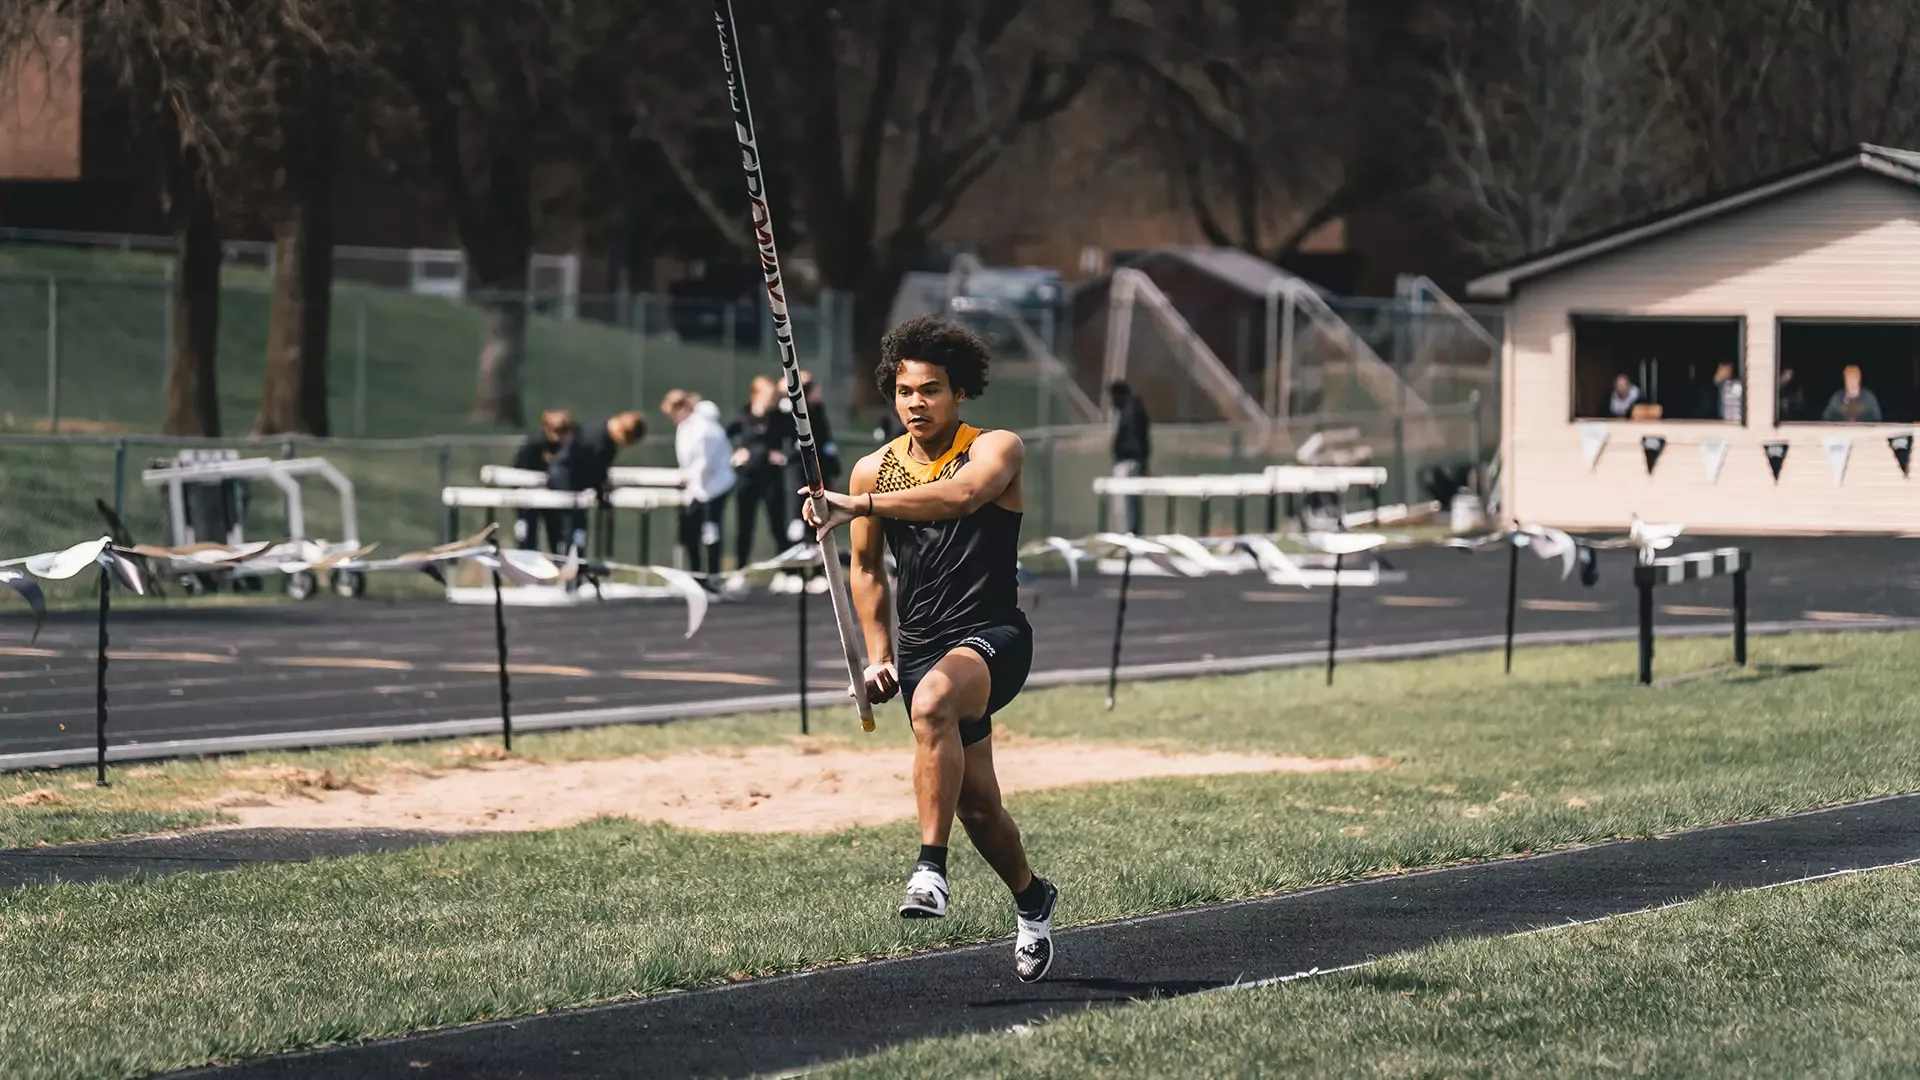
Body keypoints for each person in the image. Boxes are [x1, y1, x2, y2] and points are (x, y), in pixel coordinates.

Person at [801, 314, 1058, 983]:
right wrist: (879, 653)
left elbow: (960, 497)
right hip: (919, 647)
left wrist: (861, 506)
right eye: (907, 390)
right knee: (978, 805)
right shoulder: (871, 470)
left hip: (994, 636)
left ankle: (929, 871)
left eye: (932, 390)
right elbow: (864, 571)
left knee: (938, 700)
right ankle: (1033, 899)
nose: (918, 402)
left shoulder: (994, 449)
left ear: (959, 392)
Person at [661, 390, 737, 590]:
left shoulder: (703, 429)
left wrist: (694, 486)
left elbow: (705, 463)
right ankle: (697, 575)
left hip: (714, 487)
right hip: (698, 489)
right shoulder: (686, 427)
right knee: (689, 531)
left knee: (710, 531)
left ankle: (712, 577)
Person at [546, 411, 646, 558]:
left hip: (569, 481)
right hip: (565, 482)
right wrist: (603, 499)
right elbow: (596, 471)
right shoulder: (601, 440)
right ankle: (570, 567)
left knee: (576, 527)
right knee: (570, 527)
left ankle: (574, 565)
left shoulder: (600, 432)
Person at [729, 375, 797, 572]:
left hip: (771, 479)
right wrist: (735, 454)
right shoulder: (743, 417)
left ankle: (786, 571)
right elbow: (724, 440)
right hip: (747, 479)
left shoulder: (779, 419)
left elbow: (796, 444)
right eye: (768, 395)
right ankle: (740, 570)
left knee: (778, 527)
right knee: (744, 528)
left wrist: (783, 457)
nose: (772, 399)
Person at [512, 409, 575, 553]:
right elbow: (519, 471)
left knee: (558, 536)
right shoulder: (533, 444)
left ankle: (559, 567)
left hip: (555, 495)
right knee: (527, 539)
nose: (560, 435)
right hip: (529, 496)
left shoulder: (568, 445)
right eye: (557, 430)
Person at [1108, 380, 1151, 534]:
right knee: (1132, 503)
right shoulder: (1134, 409)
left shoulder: (1130, 411)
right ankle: (1133, 534)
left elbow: (1133, 441)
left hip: (1128, 462)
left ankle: (1128, 537)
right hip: (1134, 462)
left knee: (1124, 505)